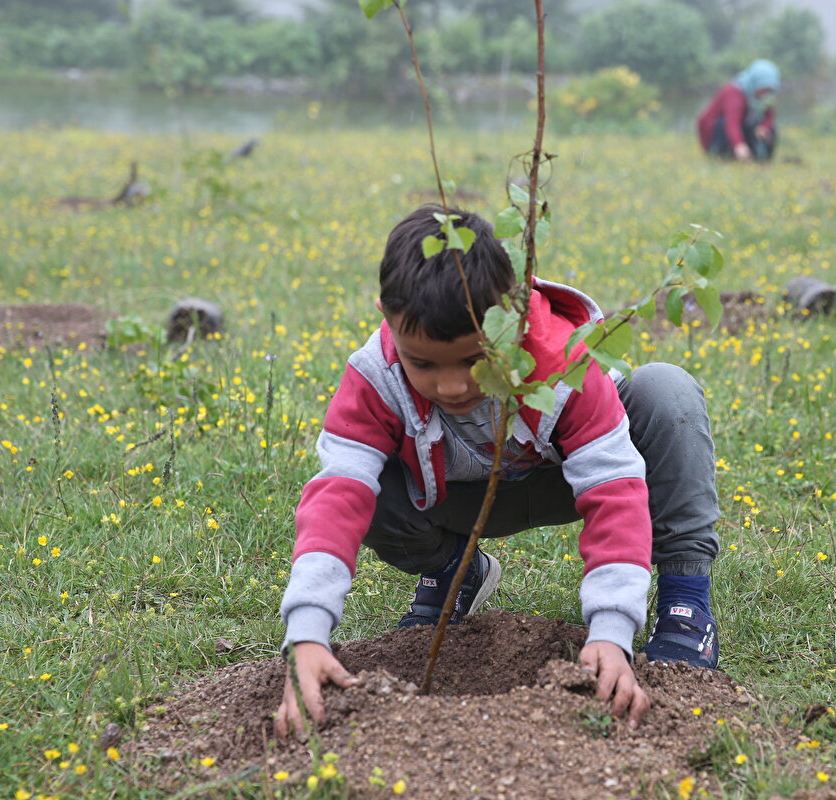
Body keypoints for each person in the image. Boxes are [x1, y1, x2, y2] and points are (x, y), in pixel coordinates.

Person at [274, 205, 721, 737]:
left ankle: (685, 599)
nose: (451, 386)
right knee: (361, 486)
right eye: (424, 364)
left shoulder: (563, 366)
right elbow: (337, 496)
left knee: (667, 392)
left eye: (474, 359)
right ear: (387, 320)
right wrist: (307, 635)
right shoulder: (377, 376)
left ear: (512, 317)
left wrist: (609, 630)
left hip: (562, 480)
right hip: (454, 498)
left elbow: (613, 489)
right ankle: (455, 571)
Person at [696, 59, 780, 162]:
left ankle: (761, 159)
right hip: (715, 131)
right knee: (723, 124)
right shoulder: (735, 92)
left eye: (769, 89)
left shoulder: (765, 97)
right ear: (756, 82)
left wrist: (764, 127)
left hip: (738, 125)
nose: (765, 92)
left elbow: (769, 115)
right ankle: (720, 156)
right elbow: (732, 123)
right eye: (763, 88)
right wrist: (739, 145)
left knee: (770, 128)